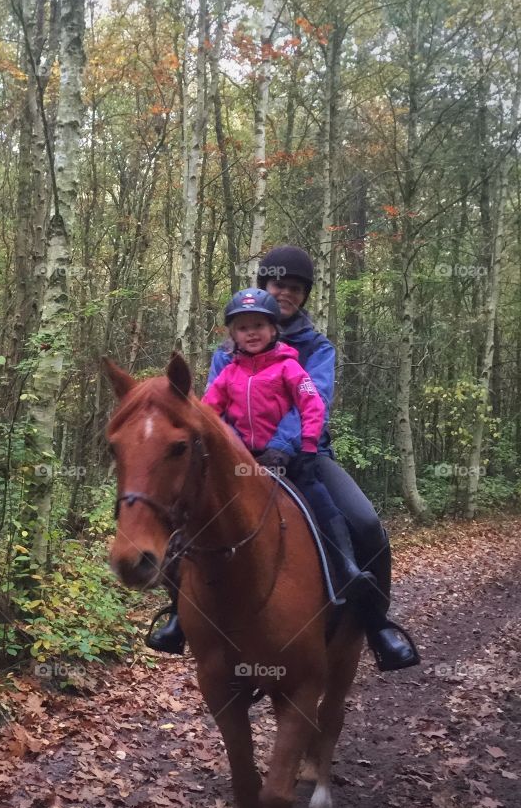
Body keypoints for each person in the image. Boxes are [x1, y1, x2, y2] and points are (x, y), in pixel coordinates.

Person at [148, 246, 419, 672]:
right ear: (265, 288)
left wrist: (284, 446)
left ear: (303, 295)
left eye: (295, 288)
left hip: (304, 454)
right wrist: (234, 451)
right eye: (279, 285)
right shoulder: (228, 350)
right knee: (182, 509)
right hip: (237, 458)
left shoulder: (316, 347)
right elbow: (213, 410)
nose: (287, 292)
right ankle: (179, 615)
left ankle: (375, 625)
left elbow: (313, 401)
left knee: (365, 523)